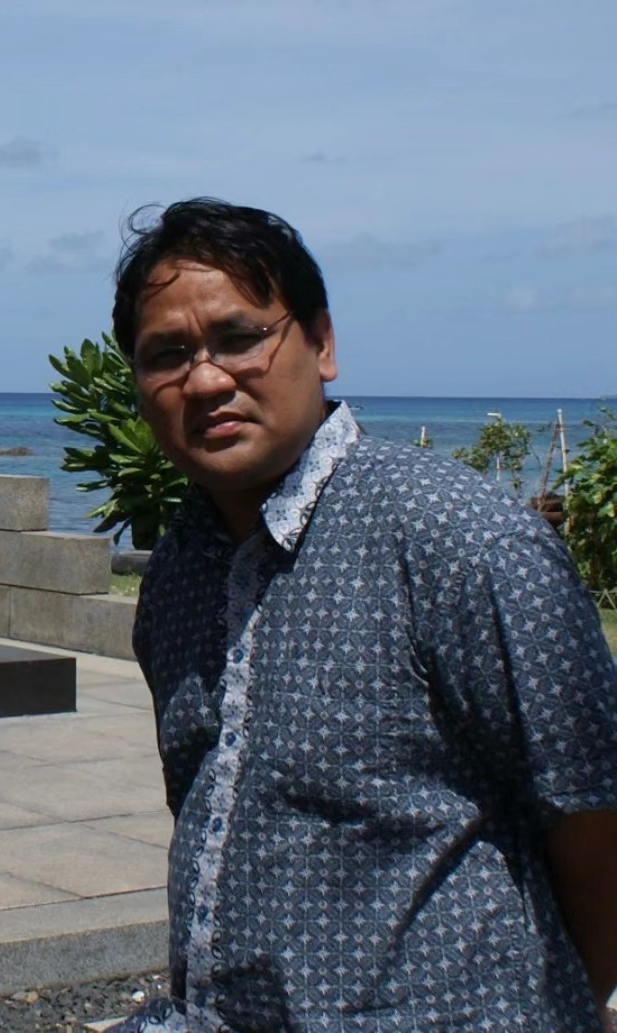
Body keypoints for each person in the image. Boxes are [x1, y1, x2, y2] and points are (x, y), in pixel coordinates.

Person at [109, 198, 617, 1031]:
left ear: (321, 343)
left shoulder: (460, 541)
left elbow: (595, 810)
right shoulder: (178, 570)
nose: (205, 379)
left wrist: (566, 1001)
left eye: (240, 338)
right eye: (168, 354)